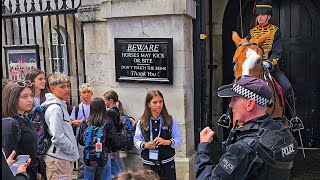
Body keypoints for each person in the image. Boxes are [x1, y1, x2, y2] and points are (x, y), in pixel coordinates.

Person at [195, 77, 298, 180]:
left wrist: (203, 147)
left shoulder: (243, 148)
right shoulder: (284, 133)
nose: (230, 105)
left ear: (250, 104)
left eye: (234, 99)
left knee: (286, 87)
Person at [134, 90, 182, 180]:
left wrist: (167, 142)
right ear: (148, 104)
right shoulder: (142, 122)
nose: (159, 105)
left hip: (167, 163)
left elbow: (178, 140)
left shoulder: (170, 120)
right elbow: (136, 140)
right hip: (149, 164)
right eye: (155, 102)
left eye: (160, 101)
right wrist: (145, 145)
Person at [250, 0, 293, 97]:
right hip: (253, 66)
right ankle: (231, 111)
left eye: (262, 14)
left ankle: (288, 112)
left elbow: (277, 52)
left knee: (287, 87)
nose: (259, 17)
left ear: (268, 17)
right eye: (258, 15)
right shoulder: (252, 32)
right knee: (236, 85)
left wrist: (268, 63)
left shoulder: (275, 31)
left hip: (269, 67)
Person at [42, 74, 79, 179]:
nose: (67, 89)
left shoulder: (59, 105)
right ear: (52, 88)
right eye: (62, 87)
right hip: (59, 159)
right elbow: (58, 137)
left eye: (68, 86)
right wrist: (72, 149)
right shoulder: (55, 108)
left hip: (61, 158)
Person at [2, 80, 38, 179]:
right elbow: (9, 159)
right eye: (24, 96)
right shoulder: (10, 123)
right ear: (12, 98)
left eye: (31, 95)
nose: (30, 99)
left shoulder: (24, 118)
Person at [78, 97, 120, 180]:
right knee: (106, 176)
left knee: (88, 176)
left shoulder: (86, 122)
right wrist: (114, 150)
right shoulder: (108, 122)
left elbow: (81, 141)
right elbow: (114, 140)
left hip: (89, 154)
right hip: (104, 153)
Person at [70, 83, 94, 179]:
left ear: (92, 94)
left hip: (94, 135)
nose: (86, 95)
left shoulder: (95, 106)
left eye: (88, 92)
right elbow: (71, 121)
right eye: (84, 92)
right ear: (80, 94)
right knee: (82, 160)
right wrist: (75, 122)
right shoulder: (77, 108)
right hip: (81, 137)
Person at [102, 90, 123, 177]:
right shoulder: (118, 111)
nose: (104, 103)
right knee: (116, 164)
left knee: (114, 168)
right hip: (116, 141)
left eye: (105, 101)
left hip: (112, 143)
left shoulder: (110, 113)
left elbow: (111, 131)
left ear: (110, 100)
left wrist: (112, 148)